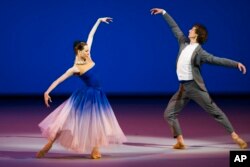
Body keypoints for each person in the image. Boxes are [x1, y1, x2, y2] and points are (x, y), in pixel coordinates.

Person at [150, 8, 248, 149]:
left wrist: (236, 64)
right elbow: (174, 27)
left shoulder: (200, 53)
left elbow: (217, 60)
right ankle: (180, 141)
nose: (189, 30)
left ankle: (235, 137)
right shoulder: (183, 43)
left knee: (216, 112)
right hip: (183, 88)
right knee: (169, 114)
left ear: (196, 35)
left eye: (192, 29)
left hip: (195, 87)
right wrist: (164, 13)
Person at [36, 17, 127, 159]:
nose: (88, 52)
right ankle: (49, 144)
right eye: (85, 51)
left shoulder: (89, 57)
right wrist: (47, 91)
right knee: (68, 121)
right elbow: (59, 80)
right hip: (86, 96)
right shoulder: (75, 68)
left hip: (98, 94)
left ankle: (95, 150)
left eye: (88, 50)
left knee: (97, 122)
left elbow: (91, 36)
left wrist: (98, 21)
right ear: (79, 52)